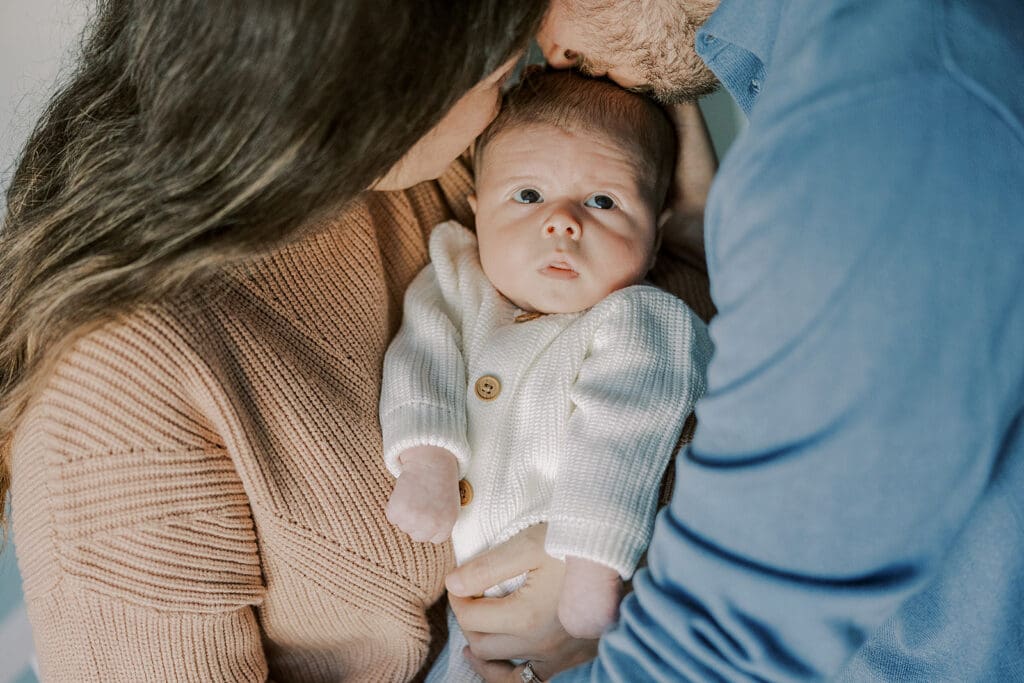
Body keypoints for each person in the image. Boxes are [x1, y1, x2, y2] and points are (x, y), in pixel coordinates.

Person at [0, 2, 581, 680]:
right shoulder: (113, 401)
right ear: (372, 92)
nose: (521, 67)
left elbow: (633, 333)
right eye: (492, 67)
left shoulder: (422, 170)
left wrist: (593, 541)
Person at [446, 0, 1023, 680]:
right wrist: (700, 262)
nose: (548, 50)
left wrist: (611, 582)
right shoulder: (846, 61)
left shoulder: (885, 112)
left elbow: (724, 639)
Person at [379, 69, 713, 682]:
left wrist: (594, 560)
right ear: (477, 211)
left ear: (654, 235)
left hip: (598, 605)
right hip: (471, 626)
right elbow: (419, 359)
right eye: (528, 196)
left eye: (603, 201)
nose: (562, 223)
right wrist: (428, 460)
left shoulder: (644, 320)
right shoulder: (455, 279)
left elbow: (626, 433)